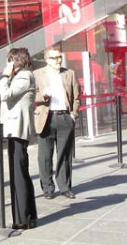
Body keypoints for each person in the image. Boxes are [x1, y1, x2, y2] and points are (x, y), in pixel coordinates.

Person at [0, 48, 38, 230]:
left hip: (17, 129)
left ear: (16, 61)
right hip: (13, 128)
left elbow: (6, 94)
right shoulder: (22, 76)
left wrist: (5, 77)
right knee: (19, 171)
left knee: (19, 173)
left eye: (9, 61)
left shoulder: (23, 76)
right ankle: (28, 216)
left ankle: (22, 217)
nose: (7, 64)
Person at [34, 47, 80, 200]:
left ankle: (65, 187)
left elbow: (76, 96)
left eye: (59, 57)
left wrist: (73, 115)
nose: (58, 60)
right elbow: (31, 96)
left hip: (64, 117)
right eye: (54, 58)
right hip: (45, 118)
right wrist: (43, 95)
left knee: (64, 155)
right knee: (44, 156)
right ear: (47, 60)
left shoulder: (69, 73)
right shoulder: (37, 74)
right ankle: (47, 188)